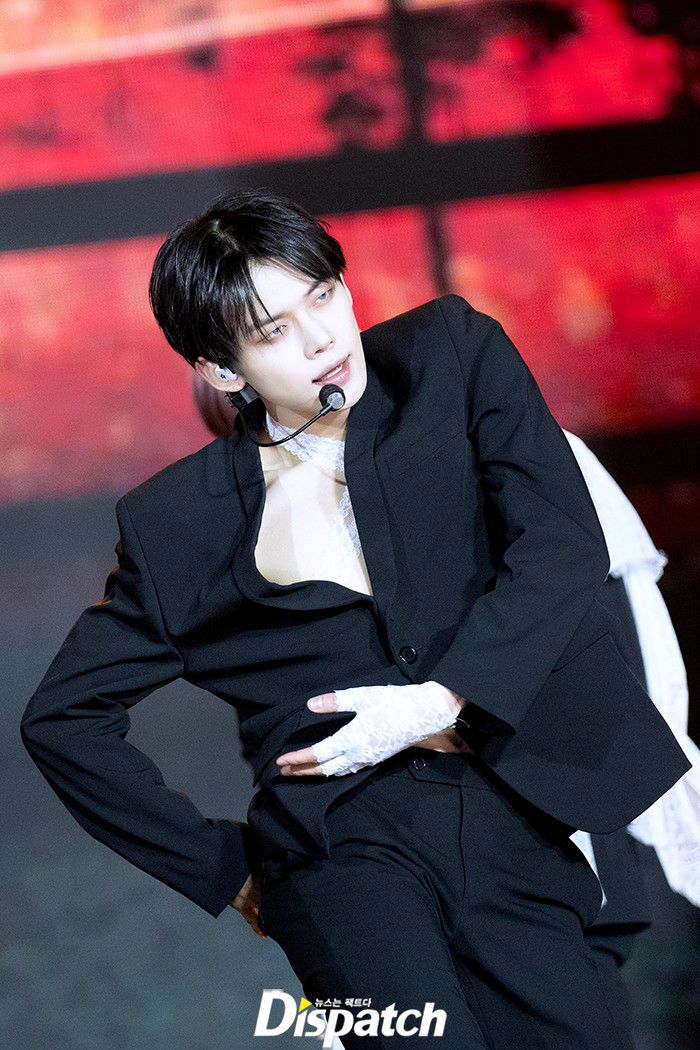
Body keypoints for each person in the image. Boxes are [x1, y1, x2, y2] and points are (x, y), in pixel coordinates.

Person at [21, 189, 691, 1049]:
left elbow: (562, 543)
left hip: (513, 811)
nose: (322, 337)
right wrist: (225, 870)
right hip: (337, 848)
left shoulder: (451, 356)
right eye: (273, 331)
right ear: (221, 371)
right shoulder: (178, 521)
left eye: (324, 292)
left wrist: (444, 697)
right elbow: (63, 719)